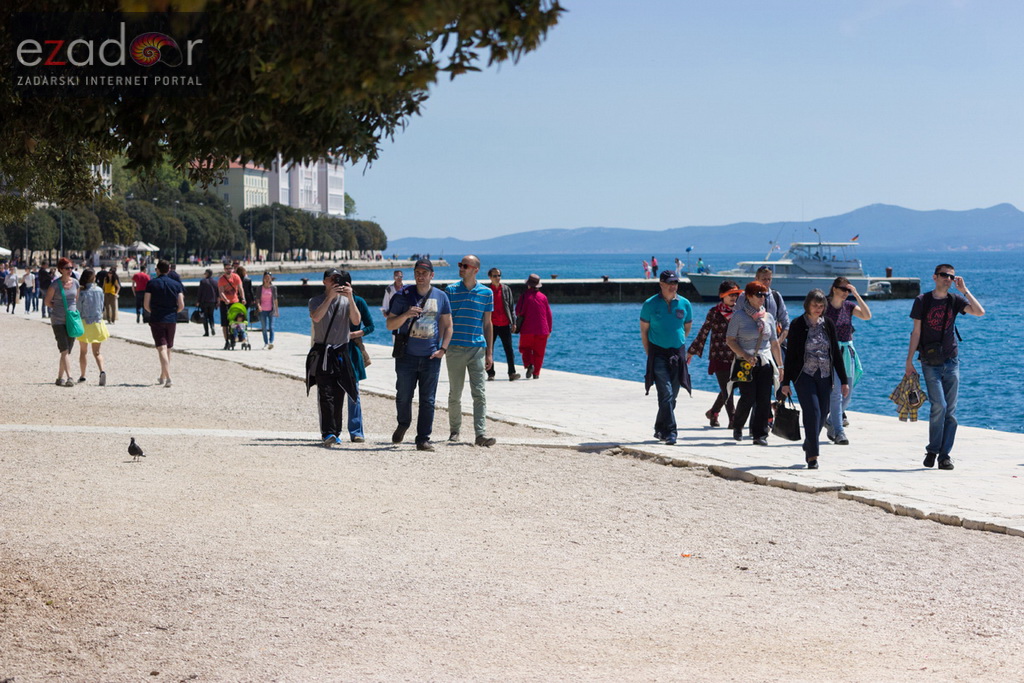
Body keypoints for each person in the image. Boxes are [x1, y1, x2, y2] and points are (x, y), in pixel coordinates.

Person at [905, 264, 985, 471]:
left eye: (951, 276)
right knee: (938, 405)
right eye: (944, 275)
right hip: (930, 362)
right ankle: (932, 449)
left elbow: (979, 312)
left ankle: (944, 455)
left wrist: (964, 290)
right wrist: (909, 361)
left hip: (951, 361)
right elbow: (916, 332)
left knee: (950, 411)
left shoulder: (955, 300)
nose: (948, 279)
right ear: (934, 277)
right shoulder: (923, 301)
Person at [387, 258, 452, 452]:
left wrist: (443, 350)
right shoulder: (402, 296)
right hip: (406, 356)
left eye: (424, 273)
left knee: (428, 400)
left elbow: (448, 326)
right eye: (417, 272)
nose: (420, 276)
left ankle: (423, 439)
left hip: (431, 357)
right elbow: (390, 325)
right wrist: (406, 315)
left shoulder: (441, 297)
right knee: (403, 396)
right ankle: (403, 423)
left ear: (432, 275)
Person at [780, 289, 849, 469]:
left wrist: (844, 380)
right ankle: (813, 456)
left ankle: (809, 443)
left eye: (821, 306)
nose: (818, 309)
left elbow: (835, 352)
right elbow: (792, 355)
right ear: (807, 305)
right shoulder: (797, 324)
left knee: (823, 412)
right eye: (814, 305)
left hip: (825, 375)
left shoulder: (828, 324)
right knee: (813, 411)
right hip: (804, 375)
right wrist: (785, 382)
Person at [445, 255, 496, 447]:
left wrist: (489, 352)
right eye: (460, 265)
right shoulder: (450, 290)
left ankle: (480, 434)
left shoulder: (486, 293)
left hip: (477, 349)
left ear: (475, 269)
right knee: (455, 393)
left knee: (479, 393)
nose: (461, 268)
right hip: (455, 348)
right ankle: (455, 430)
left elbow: (488, 323)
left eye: (464, 265)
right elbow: (444, 320)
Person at [726, 281, 784, 446]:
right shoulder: (738, 316)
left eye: (764, 295)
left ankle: (760, 434)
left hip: (764, 361)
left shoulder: (768, 317)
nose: (762, 298)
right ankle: (738, 425)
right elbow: (730, 340)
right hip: (744, 362)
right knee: (748, 397)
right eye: (759, 294)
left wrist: (780, 366)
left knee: (764, 399)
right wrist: (744, 355)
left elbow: (774, 343)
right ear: (749, 296)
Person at [308, 269, 361, 447]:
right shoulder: (315, 301)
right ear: (325, 282)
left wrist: (351, 297)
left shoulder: (347, 301)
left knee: (340, 393)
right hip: (323, 352)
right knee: (326, 393)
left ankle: (336, 432)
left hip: (341, 352)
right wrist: (329, 297)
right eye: (332, 279)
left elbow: (356, 320)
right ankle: (328, 432)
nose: (335, 282)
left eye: (338, 279)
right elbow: (316, 317)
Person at [639, 270, 693, 445]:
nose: (673, 286)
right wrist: (650, 354)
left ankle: (660, 428)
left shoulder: (685, 304)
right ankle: (671, 432)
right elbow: (644, 331)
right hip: (658, 353)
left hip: (677, 353)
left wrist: (679, 343)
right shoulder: (649, 304)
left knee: (672, 396)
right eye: (669, 283)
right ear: (661, 284)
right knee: (666, 393)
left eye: (675, 283)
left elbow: (687, 327)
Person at [823, 277, 872, 445]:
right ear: (834, 288)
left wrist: (856, 294)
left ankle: (830, 421)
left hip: (847, 352)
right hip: (830, 353)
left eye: (848, 290)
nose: (845, 293)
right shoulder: (824, 305)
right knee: (836, 393)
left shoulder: (849, 306)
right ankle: (839, 432)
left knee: (847, 394)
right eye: (843, 289)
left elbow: (867, 315)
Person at [687, 280, 741, 428]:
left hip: (737, 356)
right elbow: (704, 331)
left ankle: (713, 412)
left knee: (733, 385)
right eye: (730, 295)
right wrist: (692, 350)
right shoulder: (714, 312)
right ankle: (733, 419)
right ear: (721, 295)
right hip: (718, 356)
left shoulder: (740, 312)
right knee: (727, 388)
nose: (733, 298)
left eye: (735, 295)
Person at [144, 260, 186, 387]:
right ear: (168, 269)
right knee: (168, 348)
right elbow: (181, 305)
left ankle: (168, 377)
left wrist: (154, 311)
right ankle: (162, 376)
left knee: (161, 347)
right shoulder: (176, 284)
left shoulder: (151, 283)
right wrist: (174, 312)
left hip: (157, 318)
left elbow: (146, 304)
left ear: (157, 269)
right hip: (171, 319)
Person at [345, 277, 375, 442]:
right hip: (334, 349)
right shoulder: (331, 300)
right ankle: (332, 431)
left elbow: (370, 326)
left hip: (352, 350)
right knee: (333, 393)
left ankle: (356, 432)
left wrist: (354, 334)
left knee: (354, 393)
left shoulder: (358, 301)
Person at [42, 258, 79, 387]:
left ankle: (59, 378)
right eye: (67, 268)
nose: (70, 270)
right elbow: (47, 301)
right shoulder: (55, 285)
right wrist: (58, 308)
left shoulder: (75, 283)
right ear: (61, 270)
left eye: (71, 268)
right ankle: (70, 377)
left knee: (67, 351)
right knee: (64, 349)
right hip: (58, 320)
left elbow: (77, 300)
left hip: (72, 320)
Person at [737, 266, 790, 347]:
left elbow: (786, 324)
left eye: (769, 279)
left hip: (772, 345)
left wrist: (777, 344)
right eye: (764, 279)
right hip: (748, 345)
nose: (767, 282)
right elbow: (736, 320)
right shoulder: (744, 297)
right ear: (756, 279)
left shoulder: (776, 296)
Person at [75, 269, 110, 386]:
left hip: (85, 322)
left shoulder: (82, 291)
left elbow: (78, 308)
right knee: (97, 352)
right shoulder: (99, 290)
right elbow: (102, 306)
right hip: (97, 323)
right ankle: (102, 371)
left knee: (83, 352)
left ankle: (83, 375)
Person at [485, 267, 521, 381]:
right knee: (489, 349)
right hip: (492, 325)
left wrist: (514, 322)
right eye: (495, 276)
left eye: (499, 275)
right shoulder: (487, 291)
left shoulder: (506, 289)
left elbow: (511, 307)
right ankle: (490, 374)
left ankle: (512, 373)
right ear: (490, 277)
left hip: (505, 323)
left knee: (509, 349)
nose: (497, 278)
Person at [515, 273, 553, 379]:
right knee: (539, 352)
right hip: (542, 329)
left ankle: (529, 364)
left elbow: (518, 311)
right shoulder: (543, 297)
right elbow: (548, 314)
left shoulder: (524, 296)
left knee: (524, 348)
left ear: (528, 285)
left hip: (527, 328)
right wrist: (549, 329)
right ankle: (536, 373)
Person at [218, 262, 245, 350]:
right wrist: (225, 299)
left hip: (234, 302)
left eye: (230, 268)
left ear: (232, 269)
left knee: (234, 322)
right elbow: (221, 291)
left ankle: (234, 338)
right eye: (227, 269)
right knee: (225, 323)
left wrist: (243, 298)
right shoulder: (221, 279)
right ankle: (226, 341)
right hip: (224, 303)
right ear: (224, 269)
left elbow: (240, 288)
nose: (229, 270)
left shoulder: (236, 277)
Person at [254, 271, 279, 349]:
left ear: (271, 279)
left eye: (269, 278)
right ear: (263, 279)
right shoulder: (260, 288)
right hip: (262, 311)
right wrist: (258, 306)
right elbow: (257, 299)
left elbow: (275, 300)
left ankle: (271, 342)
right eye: (266, 278)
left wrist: (277, 311)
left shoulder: (273, 288)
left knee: (271, 327)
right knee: (264, 328)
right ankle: (266, 342)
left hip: (271, 310)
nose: (267, 279)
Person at [197, 269, 219, 337]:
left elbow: (200, 292)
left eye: (205, 273)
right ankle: (212, 326)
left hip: (204, 301)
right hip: (212, 302)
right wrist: (217, 302)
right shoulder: (215, 282)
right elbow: (217, 293)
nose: (204, 274)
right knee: (211, 315)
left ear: (207, 274)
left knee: (205, 317)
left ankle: (206, 332)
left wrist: (198, 301)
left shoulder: (203, 281)